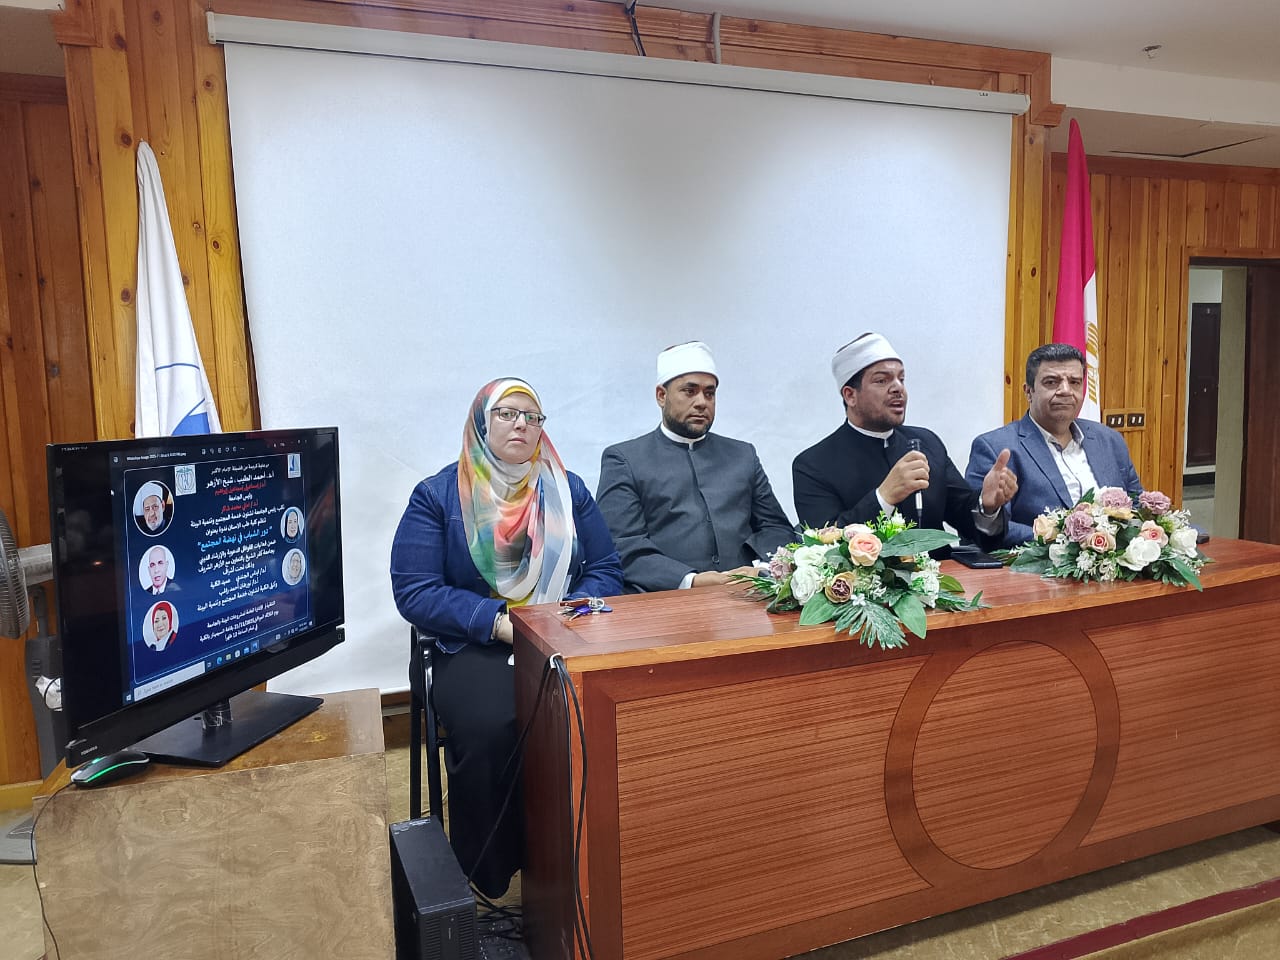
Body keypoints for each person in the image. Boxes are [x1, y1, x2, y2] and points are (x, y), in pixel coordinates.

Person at [390, 378, 623, 897]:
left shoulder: (568, 490)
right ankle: (492, 870)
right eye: (507, 413)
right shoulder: (438, 495)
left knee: (600, 713)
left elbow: (606, 567)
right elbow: (416, 591)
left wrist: (569, 612)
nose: (521, 424)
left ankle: (578, 866)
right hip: (474, 642)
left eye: (532, 416)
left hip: (562, 635)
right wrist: (498, 622)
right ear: (481, 422)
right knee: (496, 725)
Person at [596, 341, 795, 592]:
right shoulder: (625, 459)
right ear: (661, 396)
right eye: (689, 391)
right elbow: (622, 545)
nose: (702, 402)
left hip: (748, 593)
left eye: (709, 393)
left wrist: (762, 568)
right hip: (666, 600)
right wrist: (691, 580)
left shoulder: (742, 454)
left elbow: (775, 528)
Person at [792, 332, 1018, 552]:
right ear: (850, 395)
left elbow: (965, 518)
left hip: (942, 575)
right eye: (882, 380)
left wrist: (987, 506)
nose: (897, 388)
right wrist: (883, 498)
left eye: (901, 378)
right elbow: (824, 549)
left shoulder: (926, 443)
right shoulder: (813, 465)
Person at [966, 343, 1143, 547]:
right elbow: (984, 530)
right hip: (1039, 564)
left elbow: (1137, 506)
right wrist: (1066, 541)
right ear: (1029, 391)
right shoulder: (995, 448)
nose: (1065, 391)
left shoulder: (1110, 440)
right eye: (1051, 382)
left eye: (1075, 382)